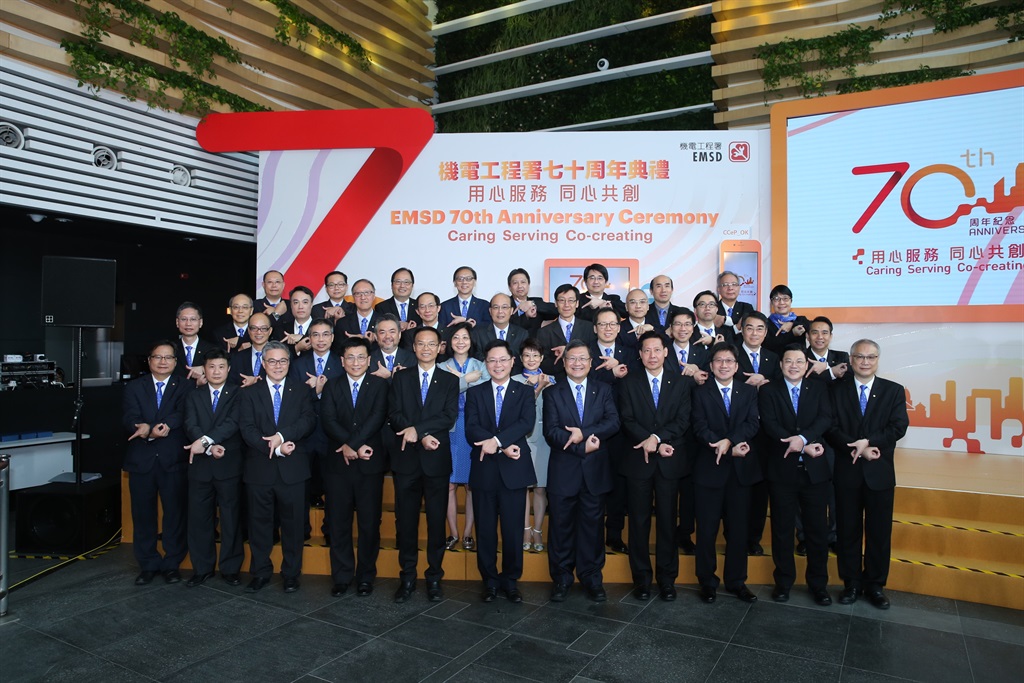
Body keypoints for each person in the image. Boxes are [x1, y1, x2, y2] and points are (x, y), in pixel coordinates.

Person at [827, 339, 909, 609]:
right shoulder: (835, 389)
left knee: (879, 532)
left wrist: (869, 442)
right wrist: (857, 448)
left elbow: (898, 427)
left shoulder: (893, 391)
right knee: (847, 531)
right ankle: (851, 583)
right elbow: (830, 427)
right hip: (847, 471)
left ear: (877, 360)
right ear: (850, 359)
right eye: (860, 357)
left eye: (871, 357)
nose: (865, 362)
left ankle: (875, 585)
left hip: (879, 472)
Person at [542, 339, 620, 602]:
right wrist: (580, 447)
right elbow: (551, 432)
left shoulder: (604, 389)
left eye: (582, 358)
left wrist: (583, 434)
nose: (577, 363)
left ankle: (591, 578)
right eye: (572, 358)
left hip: (595, 473)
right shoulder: (552, 393)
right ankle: (562, 579)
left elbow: (613, 422)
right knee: (560, 528)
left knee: (592, 529)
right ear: (564, 363)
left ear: (590, 362)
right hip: (564, 472)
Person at [237, 340, 316, 593]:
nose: (278, 365)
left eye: (282, 360)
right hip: (259, 469)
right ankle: (260, 572)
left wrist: (281, 437)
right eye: (272, 361)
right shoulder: (249, 393)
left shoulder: (301, 390)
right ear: (263, 363)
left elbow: (308, 421)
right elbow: (247, 428)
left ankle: (291, 573)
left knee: (293, 527)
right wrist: (273, 448)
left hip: (293, 470)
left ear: (289, 363)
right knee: (259, 525)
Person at [758, 345, 835, 606]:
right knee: (782, 530)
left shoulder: (819, 388)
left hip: (815, 472)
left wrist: (801, 440)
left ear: (806, 365)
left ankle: (818, 585)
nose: (793, 366)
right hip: (782, 471)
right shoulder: (769, 390)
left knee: (817, 530)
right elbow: (770, 425)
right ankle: (783, 583)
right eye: (788, 361)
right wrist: (800, 444)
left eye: (799, 361)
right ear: (781, 365)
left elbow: (825, 419)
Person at [618, 331, 691, 601]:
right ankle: (642, 579)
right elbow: (626, 419)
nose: (652, 355)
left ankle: (667, 579)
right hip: (638, 461)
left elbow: (683, 420)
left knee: (668, 522)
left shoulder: (680, 383)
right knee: (638, 523)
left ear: (666, 352)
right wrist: (648, 440)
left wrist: (657, 439)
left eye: (657, 350)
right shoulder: (628, 383)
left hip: (669, 462)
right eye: (646, 350)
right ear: (640, 354)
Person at [388, 326, 460, 603]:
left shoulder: (449, 380)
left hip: (436, 461)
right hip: (406, 460)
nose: (426, 348)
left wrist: (419, 431)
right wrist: (420, 434)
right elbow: (394, 414)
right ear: (414, 347)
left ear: (440, 348)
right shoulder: (400, 378)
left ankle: (434, 577)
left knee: (435, 522)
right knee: (406, 522)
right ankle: (407, 577)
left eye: (431, 344)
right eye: (421, 343)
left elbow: (448, 416)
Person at [465, 339, 537, 603]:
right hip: (484, 469)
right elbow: (471, 428)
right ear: (486, 364)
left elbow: (526, 423)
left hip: (514, 469)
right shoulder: (475, 392)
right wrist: (499, 445)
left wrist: (497, 442)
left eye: (503, 360)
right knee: (485, 530)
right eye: (492, 360)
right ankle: (490, 581)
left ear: (512, 361)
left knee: (512, 530)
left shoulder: (524, 391)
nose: (498, 365)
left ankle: (510, 581)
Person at [320, 337, 390, 597]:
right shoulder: (332, 385)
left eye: (361, 357)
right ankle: (341, 576)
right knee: (338, 522)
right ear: (342, 361)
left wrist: (355, 445)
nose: (356, 362)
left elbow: (377, 417)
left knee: (369, 523)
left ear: (369, 360)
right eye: (350, 357)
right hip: (338, 464)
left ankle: (365, 576)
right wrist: (350, 445)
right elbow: (328, 420)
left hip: (369, 463)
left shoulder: (379, 385)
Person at [691, 342, 762, 604]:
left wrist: (729, 442)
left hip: (740, 472)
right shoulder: (700, 393)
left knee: (738, 531)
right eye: (719, 361)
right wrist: (719, 444)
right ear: (711, 366)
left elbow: (752, 423)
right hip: (709, 470)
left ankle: (736, 581)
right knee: (707, 530)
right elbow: (699, 427)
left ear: (736, 365)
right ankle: (707, 582)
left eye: (729, 361)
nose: (724, 365)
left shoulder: (749, 391)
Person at [122, 341, 189, 585]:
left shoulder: (185, 386)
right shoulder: (134, 387)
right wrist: (146, 430)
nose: (163, 362)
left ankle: (172, 564)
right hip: (142, 460)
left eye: (168, 357)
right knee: (143, 515)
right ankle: (148, 564)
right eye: (157, 357)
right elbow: (129, 416)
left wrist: (166, 425)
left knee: (175, 515)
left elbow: (182, 413)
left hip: (173, 460)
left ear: (175, 361)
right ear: (149, 360)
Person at [182, 349, 243, 587]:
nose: (216, 371)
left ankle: (230, 568)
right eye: (211, 367)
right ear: (204, 370)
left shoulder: (239, 393)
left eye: (221, 367)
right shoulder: (193, 395)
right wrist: (208, 447)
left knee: (231, 518)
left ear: (229, 369)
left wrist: (207, 441)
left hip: (229, 464)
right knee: (199, 519)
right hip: (200, 465)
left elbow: (233, 422)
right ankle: (202, 568)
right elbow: (190, 424)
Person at [289, 318, 344, 539]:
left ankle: (331, 530)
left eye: (325, 334)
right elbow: (293, 401)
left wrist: (324, 388)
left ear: (332, 337)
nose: (320, 339)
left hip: (333, 435)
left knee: (334, 487)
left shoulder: (342, 363)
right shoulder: (297, 365)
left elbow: (345, 399)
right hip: (305, 436)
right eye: (315, 335)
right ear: (309, 339)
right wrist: (314, 392)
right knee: (301, 487)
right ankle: (301, 531)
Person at [439, 322, 489, 551]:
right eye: (456, 337)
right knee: (449, 485)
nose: (461, 342)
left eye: (465, 337)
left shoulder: (482, 365)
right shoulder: (441, 367)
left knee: (471, 484)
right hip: (449, 428)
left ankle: (468, 533)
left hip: (474, 427)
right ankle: (453, 533)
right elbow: (442, 394)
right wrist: (465, 379)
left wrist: (457, 380)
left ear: (471, 341)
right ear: (450, 342)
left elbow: (485, 392)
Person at [736, 311, 781, 556]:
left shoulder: (774, 359)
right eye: (750, 328)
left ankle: (754, 537)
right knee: (738, 488)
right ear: (742, 330)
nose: (754, 333)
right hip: (737, 428)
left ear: (766, 332)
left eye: (760, 328)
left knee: (760, 488)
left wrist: (766, 380)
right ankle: (735, 535)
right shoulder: (731, 354)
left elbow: (782, 387)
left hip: (766, 432)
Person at [588, 307, 631, 554]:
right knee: (592, 485)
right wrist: (612, 374)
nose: (608, 328)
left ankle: (614, 534)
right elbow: (584, 383)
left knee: (618, 485)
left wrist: (621, 370)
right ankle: (592, 536)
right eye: (603, 324)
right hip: (591, 428)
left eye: (612, 324)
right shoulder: (585, 353)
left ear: (619, 327)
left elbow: (637, 384)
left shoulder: (630, 353)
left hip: (621, 430)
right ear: (595, 328)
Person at [512, 338, 554, 553]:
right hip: (521, 438)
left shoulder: (552, 380)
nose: (531, 359)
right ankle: (525, 529)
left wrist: (544, 385)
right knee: (522, 488)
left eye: (535, 355)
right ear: (520, 358)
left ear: (542, 358)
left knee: (540, 488)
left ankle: (538, 530)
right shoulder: (513, 381)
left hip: (544, 439)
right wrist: (536, 387)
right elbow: (518, 409)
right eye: (527, 355)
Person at [536, 284, 596, 376]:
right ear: (556, 303)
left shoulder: (589, 328)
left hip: (585, 379)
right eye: (562, 300)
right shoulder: (544, 332)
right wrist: (564, 359)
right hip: (556, 381)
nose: (566, 305)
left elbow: (594, 356)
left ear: (577, 303)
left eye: (571, 300)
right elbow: (542, 363)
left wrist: (567, 351)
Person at [472, 293, 527, 365]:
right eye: (496, 307)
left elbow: (523, 359)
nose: (500, 311)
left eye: (504, 307)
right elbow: (477, 359)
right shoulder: (478, 334)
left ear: (511, 310)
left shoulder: (522, 334)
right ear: (490, 311)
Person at [173, 302, 215, 385]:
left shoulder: (212, 349)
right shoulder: (171, 349)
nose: (188, 324)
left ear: (201, 322)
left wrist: (204, 368)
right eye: (184, 319)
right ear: (177, 322)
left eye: (193, 319)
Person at [764, 284, 810, 355]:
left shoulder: (800, 320)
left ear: (791, 301)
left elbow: (812, 326)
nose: (781, 302)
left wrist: (792, 324)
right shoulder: (766, 323)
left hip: (799, 360)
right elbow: (771, 344)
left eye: (785, 298)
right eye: (776, 299)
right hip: (776, 361)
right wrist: (792, 333)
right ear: (772, 303)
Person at [507, 267, 556, 335]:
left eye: (523, 282)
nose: (520, 286)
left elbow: (557, 309)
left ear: (528, 284)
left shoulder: (536, 302)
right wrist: (526, 316)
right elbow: (511, 328)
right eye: (515, 283)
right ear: (510, 287)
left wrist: (532, 304)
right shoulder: (505, 305)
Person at [229, 312, 273, 386]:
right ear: (248, 330)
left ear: (270, 331)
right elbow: (231, 386)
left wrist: (256, 381)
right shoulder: (236, 358)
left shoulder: (280, 356)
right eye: (254, 328)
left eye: (263, 328)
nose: (258, 332)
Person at [334, 279, 379, 351]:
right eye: (358, 293)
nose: (363, 297)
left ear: (373, 296)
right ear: (353, 297)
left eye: (367, 293)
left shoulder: (384, 322)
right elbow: (338, 350)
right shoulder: (342, 323)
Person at [665, 308, 710, 380]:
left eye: (687, 324)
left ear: (693, 328)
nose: (683, 329)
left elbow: (709, 378)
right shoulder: (663, 352)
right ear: (671, 327)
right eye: (678, 324)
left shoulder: (703, 355)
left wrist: (697, 370)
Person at [805, 316, 850, 384]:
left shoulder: (842, 357)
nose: (820, 337)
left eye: (824, 333)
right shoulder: (801, 358)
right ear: (808, 336)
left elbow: (851, 376)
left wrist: (826, 366)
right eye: (815, 333)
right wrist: (831, 371)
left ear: (830, 336)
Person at [369, 314, 416, 379]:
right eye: (382, 332)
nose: (387, 336)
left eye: (392, 332)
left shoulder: (412, 358)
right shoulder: (369, 359)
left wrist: (389, 376)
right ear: (376, 337)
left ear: (399, 335)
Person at [274, 286, 315, 356]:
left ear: (311, 305)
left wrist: (301, 337)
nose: (300, 307)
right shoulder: (282, 329)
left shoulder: (321, 326)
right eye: (296, 302)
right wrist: (296, 348)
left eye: (305, 302)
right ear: (291, 305)